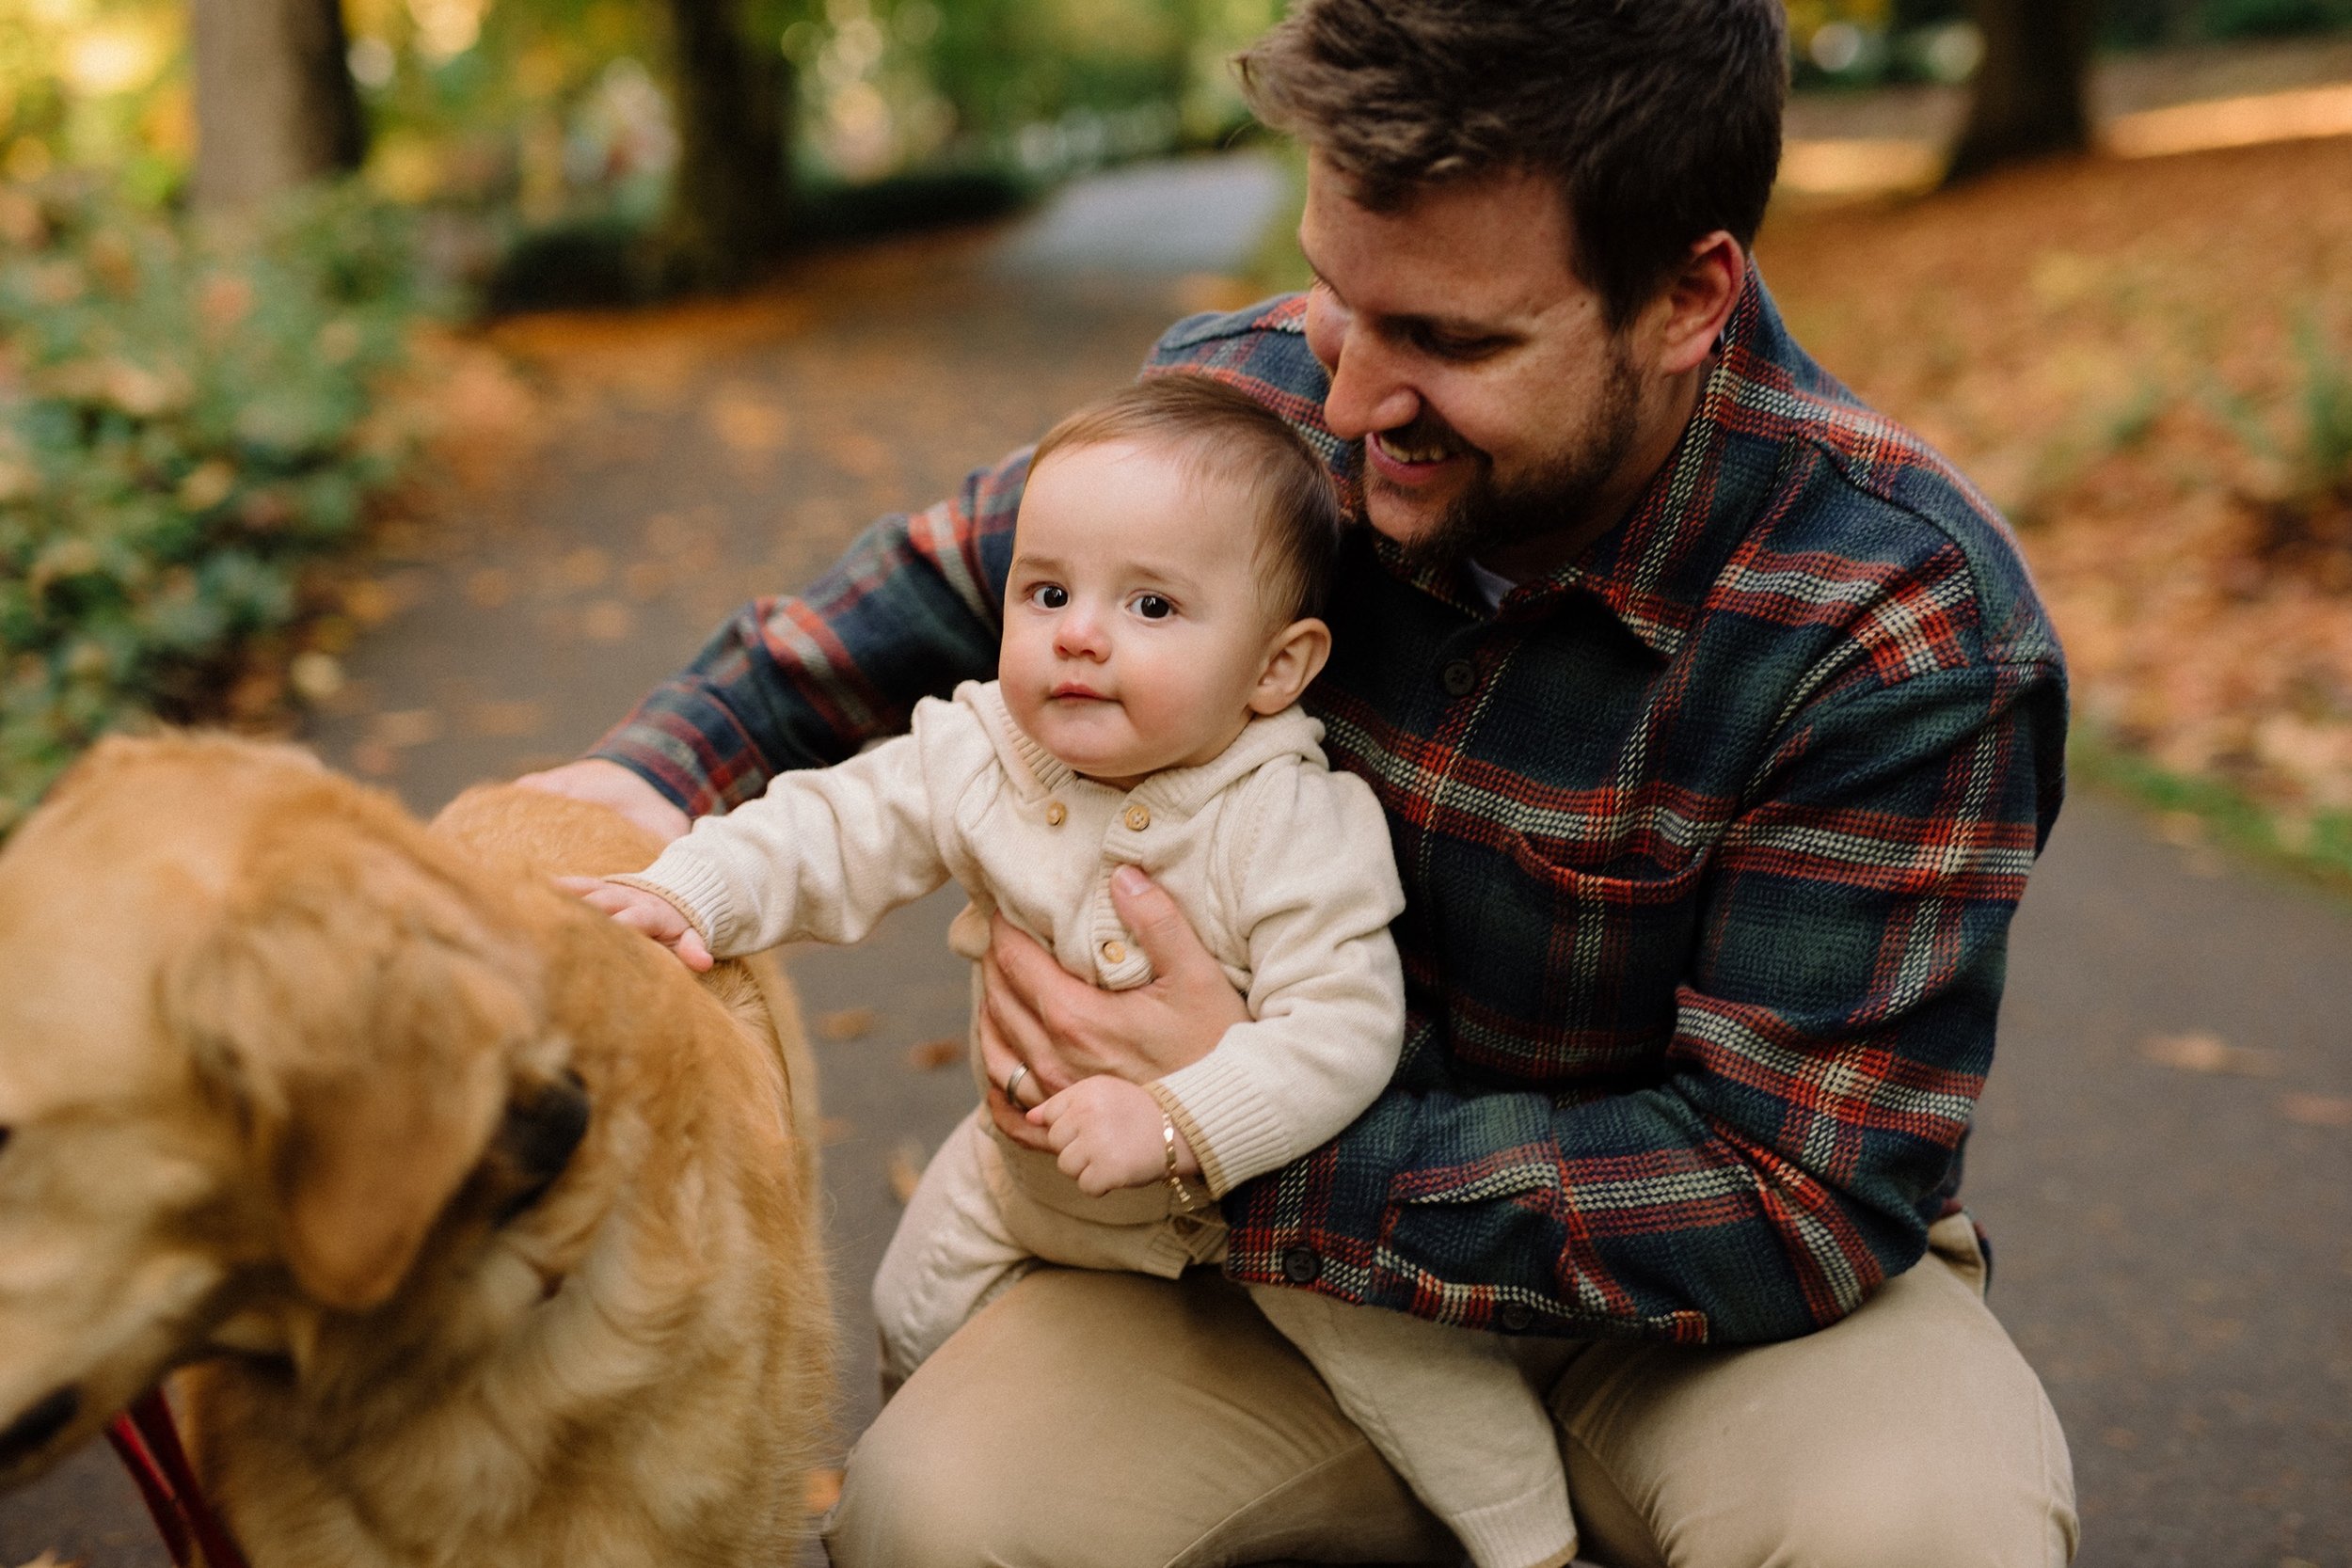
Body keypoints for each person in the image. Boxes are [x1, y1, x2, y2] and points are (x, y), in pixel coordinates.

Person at [523, 1, 2081, 1563]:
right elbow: (930, 601)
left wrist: (1228, 1109)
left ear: (1684, 297)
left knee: (1922, 1532)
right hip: (1241, 1283)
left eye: (1453, 343)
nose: (1345, 407)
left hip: (1700, 1309)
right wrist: (633, 798)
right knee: (941, 1517)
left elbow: (1784, 1194)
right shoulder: (1257, 401)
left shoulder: (1894, 621)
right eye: (1341, 297)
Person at [569, 377, 1582, 1568]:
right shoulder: (984, 750)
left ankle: (1536, 1544)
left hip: (1271, 1207)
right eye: (1046, 591)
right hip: (1027, 1171)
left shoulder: (1293, 823)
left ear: (1275, 666)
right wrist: (695, 888)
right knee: (908, 1307)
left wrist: (1175, 1117)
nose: (1080, 634)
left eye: (1151, 604)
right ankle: (948, 1458)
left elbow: (1343, 1027)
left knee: (1416, 1376)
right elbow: (832, 825)